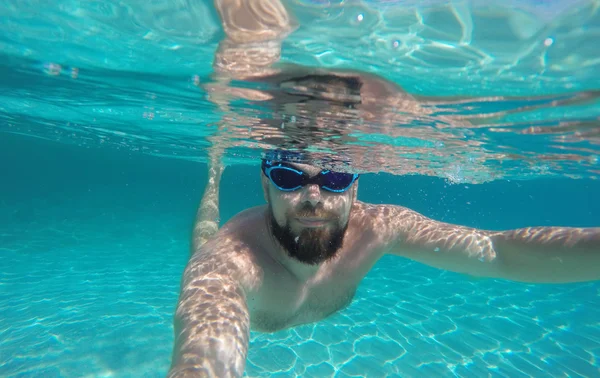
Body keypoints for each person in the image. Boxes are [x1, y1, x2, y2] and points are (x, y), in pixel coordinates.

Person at [168, 1, 600, 377]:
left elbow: (497, 251)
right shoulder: (226, 266)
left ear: (356, 187)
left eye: (336, 179)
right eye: (289, 177)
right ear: (266, 185)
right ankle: (213, 178)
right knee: (204, 240)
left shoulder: (380, 227)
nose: (314, 198)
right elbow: (201, 358)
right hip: (223, 250)